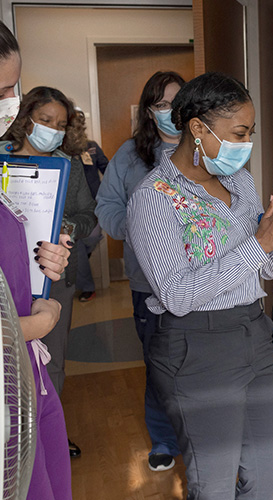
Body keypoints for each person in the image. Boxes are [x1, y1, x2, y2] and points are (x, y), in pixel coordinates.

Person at [126, 71, 273, 498]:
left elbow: (264, 270)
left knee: (267, 476)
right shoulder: (153, 197)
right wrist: (260, 242)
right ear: (198, 128)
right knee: (212, 484)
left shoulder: (240, 181)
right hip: (196, 348)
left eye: (249, 133)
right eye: (238, 133)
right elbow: (176, 295)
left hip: (254, 333)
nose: (245, 144)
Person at [95, 70, 185, 471]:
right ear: (150, 111)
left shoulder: (204, 149)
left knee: (201, 365)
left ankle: (201, 439)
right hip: (147, 282)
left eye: (177, 103)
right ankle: (164, 440)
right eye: (162, 104)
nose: (170, 112)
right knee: (159, 365)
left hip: (203, 281)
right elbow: (106, 208)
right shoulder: (130, 156)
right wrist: (141, 227)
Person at [1, 85, 96, 459]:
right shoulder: (2, 159)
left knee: (51, 362)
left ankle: (48, 433)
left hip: (54, 279)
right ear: (24, 120)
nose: (52, 130)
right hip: (7, 278)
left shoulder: (68, 165)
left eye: (60, 124)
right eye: (45, 121)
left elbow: (90, 216)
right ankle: (15, 441)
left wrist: (67, 226)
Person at [0, 20, 74, 500]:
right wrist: (36, 323)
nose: (9, 102)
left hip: (28, 376)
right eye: (2, 89)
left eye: (12, 88)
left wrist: (42, 266)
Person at [75, 109, 109, 303]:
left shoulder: (92, 147)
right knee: (77, 246)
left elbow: (106, 168)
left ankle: (79, 267)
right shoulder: (64, 150)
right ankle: (88, 288)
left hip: (95, 203)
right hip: (73, 206)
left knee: (93, 237)